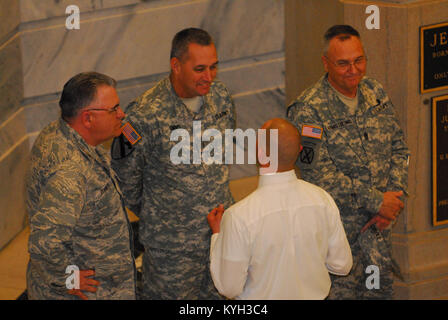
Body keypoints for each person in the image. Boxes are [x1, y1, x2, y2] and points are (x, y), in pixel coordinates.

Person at [287, 25, 410, 299]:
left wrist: (392, 200)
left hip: (378, 234)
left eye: (359, 60)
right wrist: (378, 201)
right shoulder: (309, 110)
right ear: (325, 63)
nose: (353, 70)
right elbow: (318, 176)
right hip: (337, 240)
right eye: (343, 63)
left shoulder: (375, 92)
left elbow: (400, 149)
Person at [111, 28, 235, 299]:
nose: (209, 77)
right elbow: (125, 177)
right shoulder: (145, 114)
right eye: (200, 68)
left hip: (220, 233)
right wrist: (163, 215)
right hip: (172, 249)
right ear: (176, 66)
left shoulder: (222, 98)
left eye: (214, 67)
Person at [206, 118, 353, 299]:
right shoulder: (323, 200)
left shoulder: (239, 217)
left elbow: (229, 288)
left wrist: (219, 236)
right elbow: (342, 265)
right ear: (299, 151)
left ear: (260, 154)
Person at [26, 72, 136, 300]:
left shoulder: (60, 132)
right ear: (87, 119)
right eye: (113, 109)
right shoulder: (70, 172)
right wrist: (68, 278)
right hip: (91, 292)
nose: (121, 114)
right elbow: (45, 242)